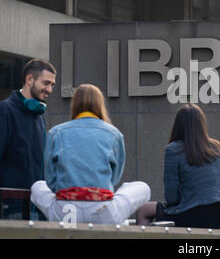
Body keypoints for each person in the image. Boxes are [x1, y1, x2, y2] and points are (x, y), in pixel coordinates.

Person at [30, 84, 150, 224]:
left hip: (65, 210)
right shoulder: (114, 134)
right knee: (143, 188)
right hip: (102, 210)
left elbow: (50, 181)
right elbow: (114, 178)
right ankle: (119, 220)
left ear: (74, 105)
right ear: (100, 104)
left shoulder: (56, 133)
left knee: (37, 186)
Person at [136, 103, 220, 229]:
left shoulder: (174, 149)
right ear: (202, 124)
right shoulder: (216, 147)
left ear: (178, 125)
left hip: (194, 212)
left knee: (143, 209)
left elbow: (171, 197)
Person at [0, 59, 56, 219]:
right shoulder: (5, 111)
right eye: (46, 83)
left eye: (52, 85)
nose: (50, 89)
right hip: (9, 209)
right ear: (30, 79)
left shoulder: (39, 116)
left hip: (36, 209)